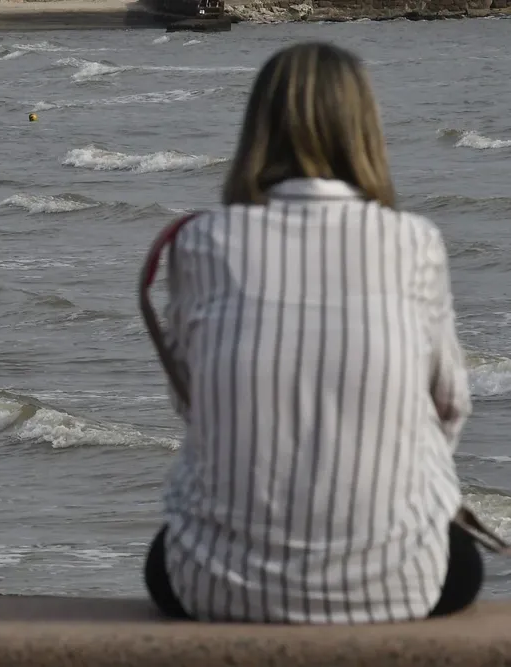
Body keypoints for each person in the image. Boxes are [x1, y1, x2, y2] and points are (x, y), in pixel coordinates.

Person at [141, 41, 481, 625]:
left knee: (163, 554)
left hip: (213, 585)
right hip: (399, 586)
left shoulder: (199, 243)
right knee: (464, 563)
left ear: (258, 129)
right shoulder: (413, 241)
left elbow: (192, 403)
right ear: (364, 131)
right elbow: (449, 405)